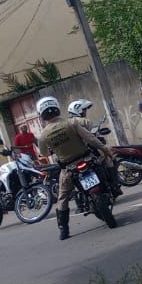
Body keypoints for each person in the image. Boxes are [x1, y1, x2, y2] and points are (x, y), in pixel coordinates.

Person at [35, 96, 119, 240]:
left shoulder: (43, 136)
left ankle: (64, 229)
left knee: (62, 198)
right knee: (106, 164)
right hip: (88, 159)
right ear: (57, 108)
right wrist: (105, 149)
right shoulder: (72, 123)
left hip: (68, 168)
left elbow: (44, 153)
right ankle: (115, 187)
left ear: (41, 114)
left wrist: (53, 150)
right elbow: (91, 139)